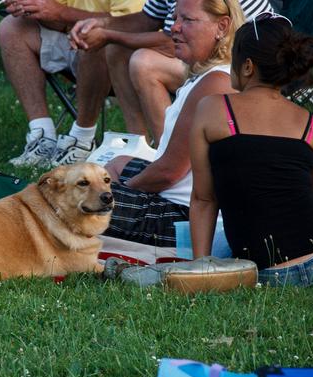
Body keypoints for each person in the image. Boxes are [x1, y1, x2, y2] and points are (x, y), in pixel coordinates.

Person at [189, 14, 313, 285]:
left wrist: (200, 270)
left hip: (261, 271)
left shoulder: (212, 109)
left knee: (219, 244)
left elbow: (203, 200)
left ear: (247, 67)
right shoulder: (312, 126)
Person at [95, 0, 244, 264]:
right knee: (117, 164)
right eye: (175, 18)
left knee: (69, 201)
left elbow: (168, 172)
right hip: (180, 203)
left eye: (188, 20)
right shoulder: (209, 77)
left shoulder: (214, 84)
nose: (174, 27)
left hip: (185, 220)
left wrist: (123, 193)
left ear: (222, 27)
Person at [69, 0, 270, 144]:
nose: (176, 23)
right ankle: (138, 145)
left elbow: (173, 41)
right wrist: (102, 25)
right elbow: (147, 20)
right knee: (117, 49)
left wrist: (108, 34)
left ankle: (166, 151)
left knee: (144, 63)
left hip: (247, 70)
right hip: (212, 58)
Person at [0, 0, 144, 167]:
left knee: (94, 35)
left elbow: (133, 23)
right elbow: (59, 20)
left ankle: (82, 140)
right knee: (11, 27)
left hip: (125, 56)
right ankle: (42, 136)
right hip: (73, 40)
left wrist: (59, 12)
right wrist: (33, 8)